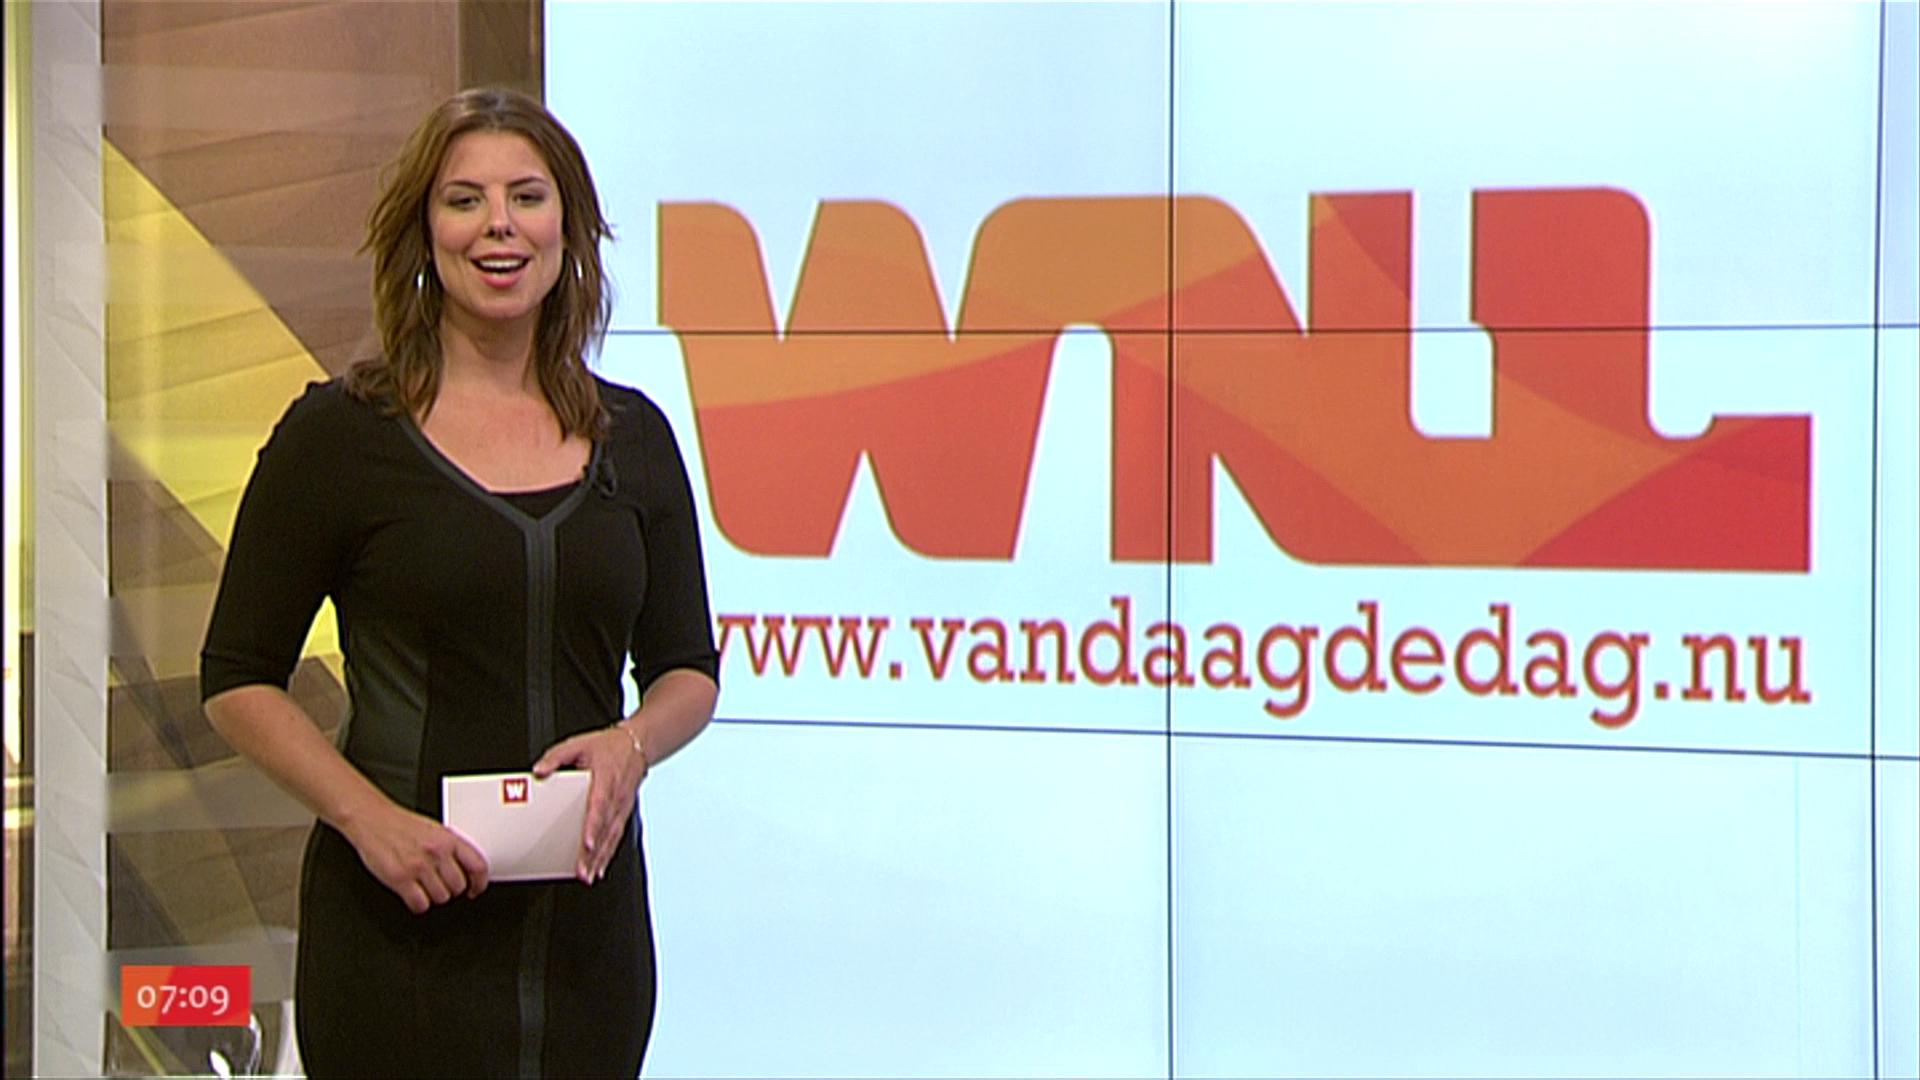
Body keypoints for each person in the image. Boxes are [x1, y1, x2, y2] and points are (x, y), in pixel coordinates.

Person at [200, 87, 719, 1078]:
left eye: (526, 197)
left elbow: (687, 668)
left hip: (589, 941)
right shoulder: (339, 439)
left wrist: (632, 745)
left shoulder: (637, 438)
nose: (498, 226)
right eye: (464, 199)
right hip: (398, 931)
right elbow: (236, 678)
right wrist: (369, 821)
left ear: (567, 227)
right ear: (423, 231)